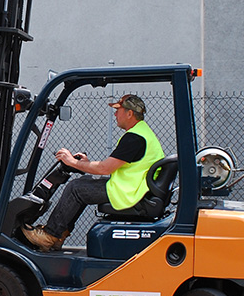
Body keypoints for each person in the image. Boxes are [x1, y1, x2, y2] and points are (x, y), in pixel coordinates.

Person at [23, 94, 164, 252]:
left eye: (118, 110)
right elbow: (112, 165)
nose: (115, 114)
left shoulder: (134, 138)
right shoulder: (143, 133)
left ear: (129, 113)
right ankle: (58, 235)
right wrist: (84, 163)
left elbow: (105, 168)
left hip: (129, 192)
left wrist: (72, 161)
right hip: (133, 188)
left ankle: (50, 235)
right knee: (85, 183)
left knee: (76, 188)